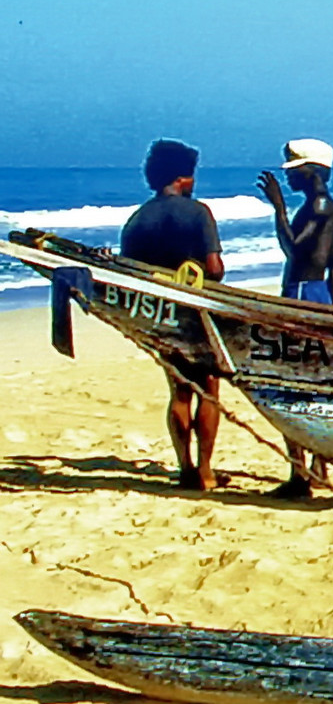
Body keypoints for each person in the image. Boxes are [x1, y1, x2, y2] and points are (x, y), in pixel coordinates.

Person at [120, 139, 227, 491]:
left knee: (179, 392)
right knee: (208, 389)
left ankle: (184, 468)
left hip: (160, 317)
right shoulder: (198, 212)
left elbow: (130, 276)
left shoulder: (136, 220)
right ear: (183, 179)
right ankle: (207, 471)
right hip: (197, 314)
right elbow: (214, 268)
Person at [257, 138, 333, 498]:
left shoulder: (318, 209)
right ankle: (318, 467)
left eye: (294, 172)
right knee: (316, 381)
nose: (289, 179)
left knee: (290, 380)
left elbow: (293, 250)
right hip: (318, 295)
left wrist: (278, 208)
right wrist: (329, 308)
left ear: (312, 172)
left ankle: (300, 474)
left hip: (301, 294)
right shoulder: (329, 209)